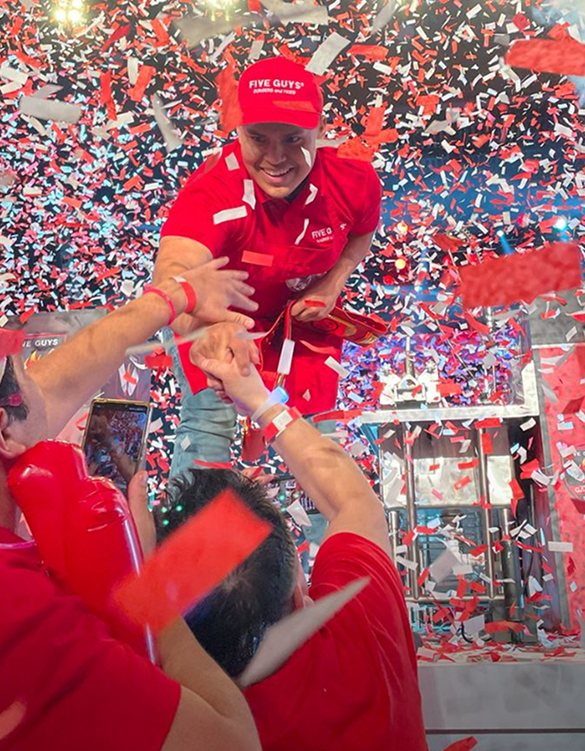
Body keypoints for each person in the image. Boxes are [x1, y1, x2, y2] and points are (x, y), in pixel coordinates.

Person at [0, 260, 262, 751]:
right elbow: (232, 741)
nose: (41, 376)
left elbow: (53, 387)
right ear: (4, 431)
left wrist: (175, 296)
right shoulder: (23, 614)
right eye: (24, 371)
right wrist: (146, 587)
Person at [156, 348, 428, 751]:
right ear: (301, 596)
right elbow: (354, 500)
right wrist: (261, 401)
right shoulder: (362, 633)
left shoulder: (169, 723)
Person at [153, 55, 382, 477]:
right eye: (258, 138)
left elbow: (361, 233)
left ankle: (324, 520)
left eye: (293, 139)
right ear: (238, 130)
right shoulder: (212, 189)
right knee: (210, 421)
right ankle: (199, 519)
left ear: (320, 130)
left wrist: (333, 283)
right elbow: (172, 279)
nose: (276, 158)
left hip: (295, 319)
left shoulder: (354, 179)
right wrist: (208, 325)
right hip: (214, 317)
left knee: (318, 427)